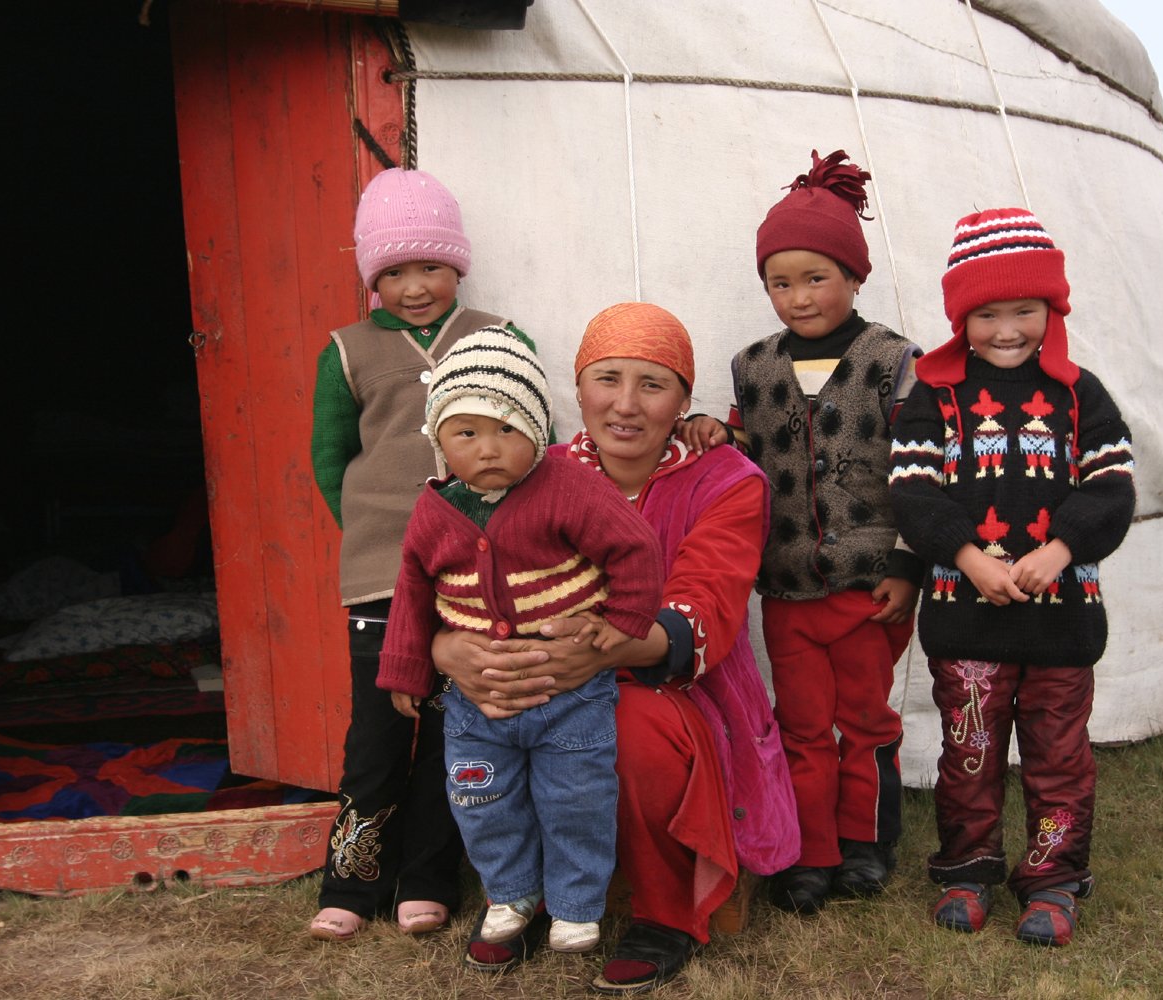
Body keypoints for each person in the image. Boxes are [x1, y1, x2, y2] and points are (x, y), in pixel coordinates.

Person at [431, 302, 799, 993]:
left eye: (652, 385)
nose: (625, 405)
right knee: (492, 715)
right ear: (577, 389)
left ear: (683, 400)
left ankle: (666, 911)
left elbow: (705, 602)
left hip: (679, 688)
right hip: (546, 672)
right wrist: (450, 650)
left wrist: (601, 652)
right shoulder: (532, 468)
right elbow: (455, 568)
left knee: (626, 728)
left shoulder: (726, 481)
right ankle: (521, 894)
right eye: (607, 379)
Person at [680, 148, 922, 914]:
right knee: (803, 726)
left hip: (869, 585)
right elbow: (749, 446)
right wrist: (714, 432)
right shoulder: (754, 366)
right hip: (786, 587)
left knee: (867, 721)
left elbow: (922, 469)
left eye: (815, 278)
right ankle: (809, 851)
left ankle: (867, 844)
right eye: (779, 283)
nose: (798, 297)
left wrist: (909, 563)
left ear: (854, 275)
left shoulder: (892, 362)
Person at [887, 207, 1136, 946]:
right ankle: (968, 871)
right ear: (960, 317)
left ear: (1052, 308)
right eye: (986, 314)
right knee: (970, 754)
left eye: (1024, 310)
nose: (1006, 330)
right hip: (966, 619)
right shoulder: (934, 397)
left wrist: (1059, 551)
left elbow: (1112, 487)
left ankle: (1053, 879)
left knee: (1059, 758)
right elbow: (912, 492)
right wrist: (968, 558)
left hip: (1062, 619)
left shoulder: (1081, 394)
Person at [375, 327, 664, 955]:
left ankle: (576, 905)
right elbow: (413, 590)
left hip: (572, 698)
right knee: (483, 798)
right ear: (438, 438)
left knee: (576, 800)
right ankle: (509, 893)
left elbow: (635, 546)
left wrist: (623, 622)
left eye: (507, 428)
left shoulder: (569, 484)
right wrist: (405, 669)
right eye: (465, 432)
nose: (487, 449)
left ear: (537, 427)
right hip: (477, 703)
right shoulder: (435, 510)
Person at [307, 167, 536, 941]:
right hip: (380, 575)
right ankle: (352, 879)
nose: (414, 288)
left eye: (431, 266)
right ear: (372, 277)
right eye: (395, 271)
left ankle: (429, 877)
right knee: (375, 735)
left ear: (457, 265)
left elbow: (531, 432)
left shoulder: (499, 337)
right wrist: (376, 533)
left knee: (452, 731)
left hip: (475, 575)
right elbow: (330, 458)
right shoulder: (346, 352)